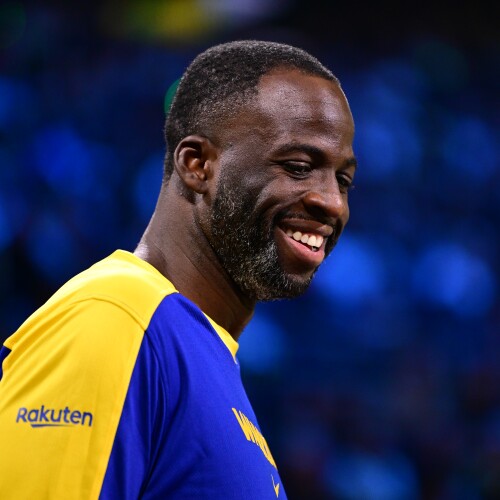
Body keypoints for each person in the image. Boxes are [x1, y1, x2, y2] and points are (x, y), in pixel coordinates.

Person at [0, 40, 356, 498]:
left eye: (343, 179)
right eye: (299, 166)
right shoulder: (117, 317)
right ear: (197, 165)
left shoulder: (193, 347)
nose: (333, 202)